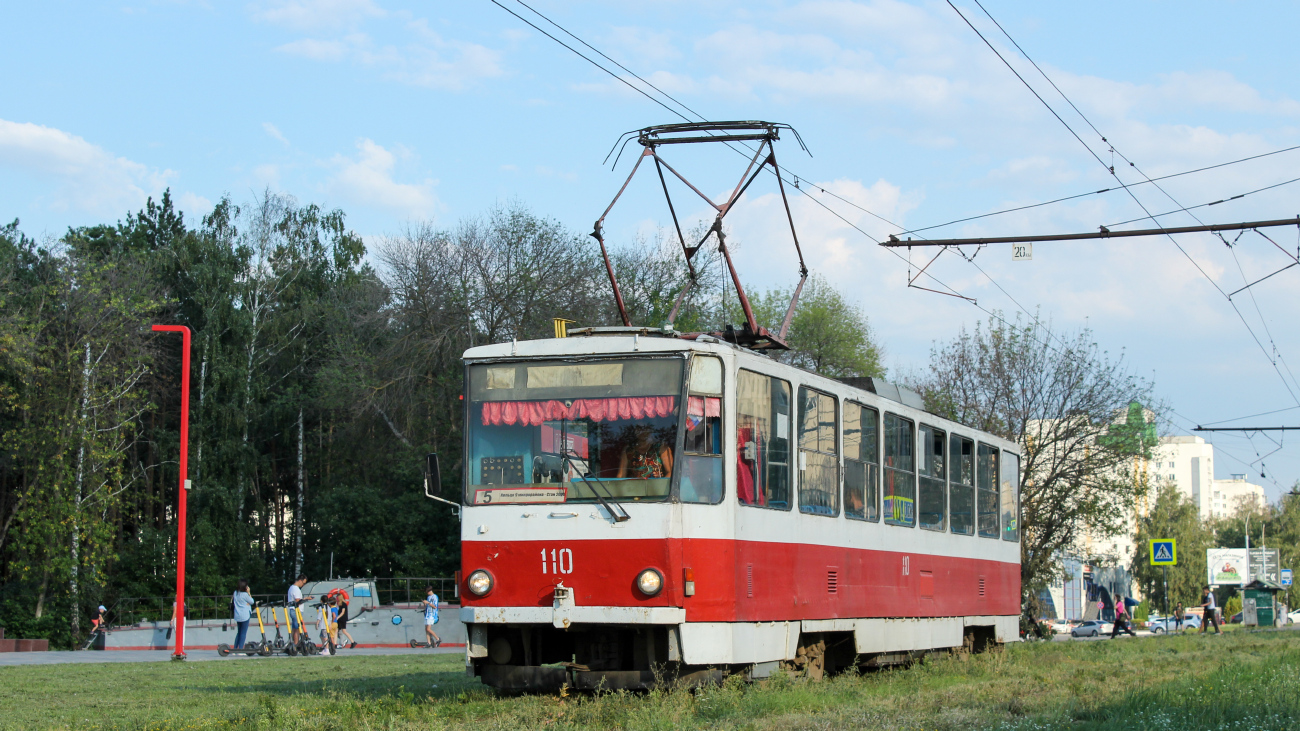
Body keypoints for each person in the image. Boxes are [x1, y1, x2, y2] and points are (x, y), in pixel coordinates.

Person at [287, 575, 312, 646]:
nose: (303, 585)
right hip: (296, 611)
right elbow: (297, 601)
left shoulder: (291, 588)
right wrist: (306, 599)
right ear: (300, 580)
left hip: (293, 610)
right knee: (297, 629)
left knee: (295, 628)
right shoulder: (296, 589)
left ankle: (292, 643)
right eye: (303, 583)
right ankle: (295, 644)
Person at [232, 580, 255, 650]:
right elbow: (252, 601)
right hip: (245, 615)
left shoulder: (235, 593)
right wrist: (249, 592)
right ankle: (241, 648)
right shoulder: (245, 595)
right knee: (243, 633)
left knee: (239, 632)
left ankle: (235, 648)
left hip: (238, 615)